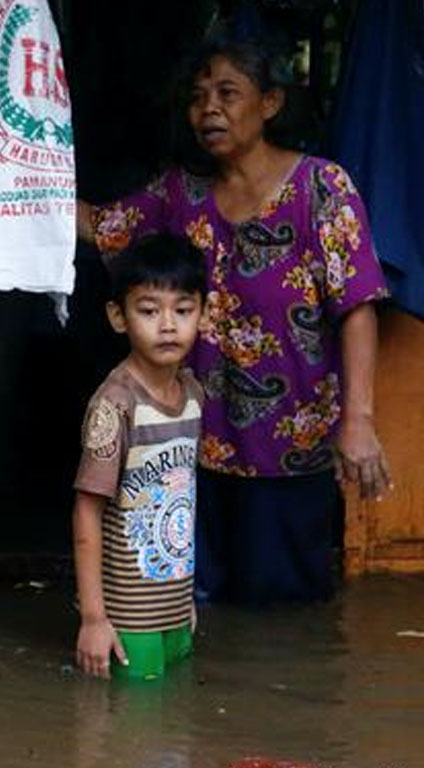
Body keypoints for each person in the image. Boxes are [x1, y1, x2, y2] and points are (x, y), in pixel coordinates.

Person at [76, 38, 392, 605]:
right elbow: (102, 227)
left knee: (288, 625)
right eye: (198, 99)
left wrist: (359, 420)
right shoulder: (180, 194)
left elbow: (358, 304)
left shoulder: (321, 188)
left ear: (269, 103)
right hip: (193, 451)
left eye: (227, 94)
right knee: (194, 611)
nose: (209, 110)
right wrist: (13, 188)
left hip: (292, 453)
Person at [73, 233, 207, 681]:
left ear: (202, 313)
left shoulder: (193, 395)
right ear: (118, 316)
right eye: (149, 311)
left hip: (174, 606)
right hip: (127, 619)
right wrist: (94, 620)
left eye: (183, 310)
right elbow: (87, 511)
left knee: (173, 728)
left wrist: (181, 596)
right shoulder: (115, 405)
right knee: (135, 729)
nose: (167, 325)